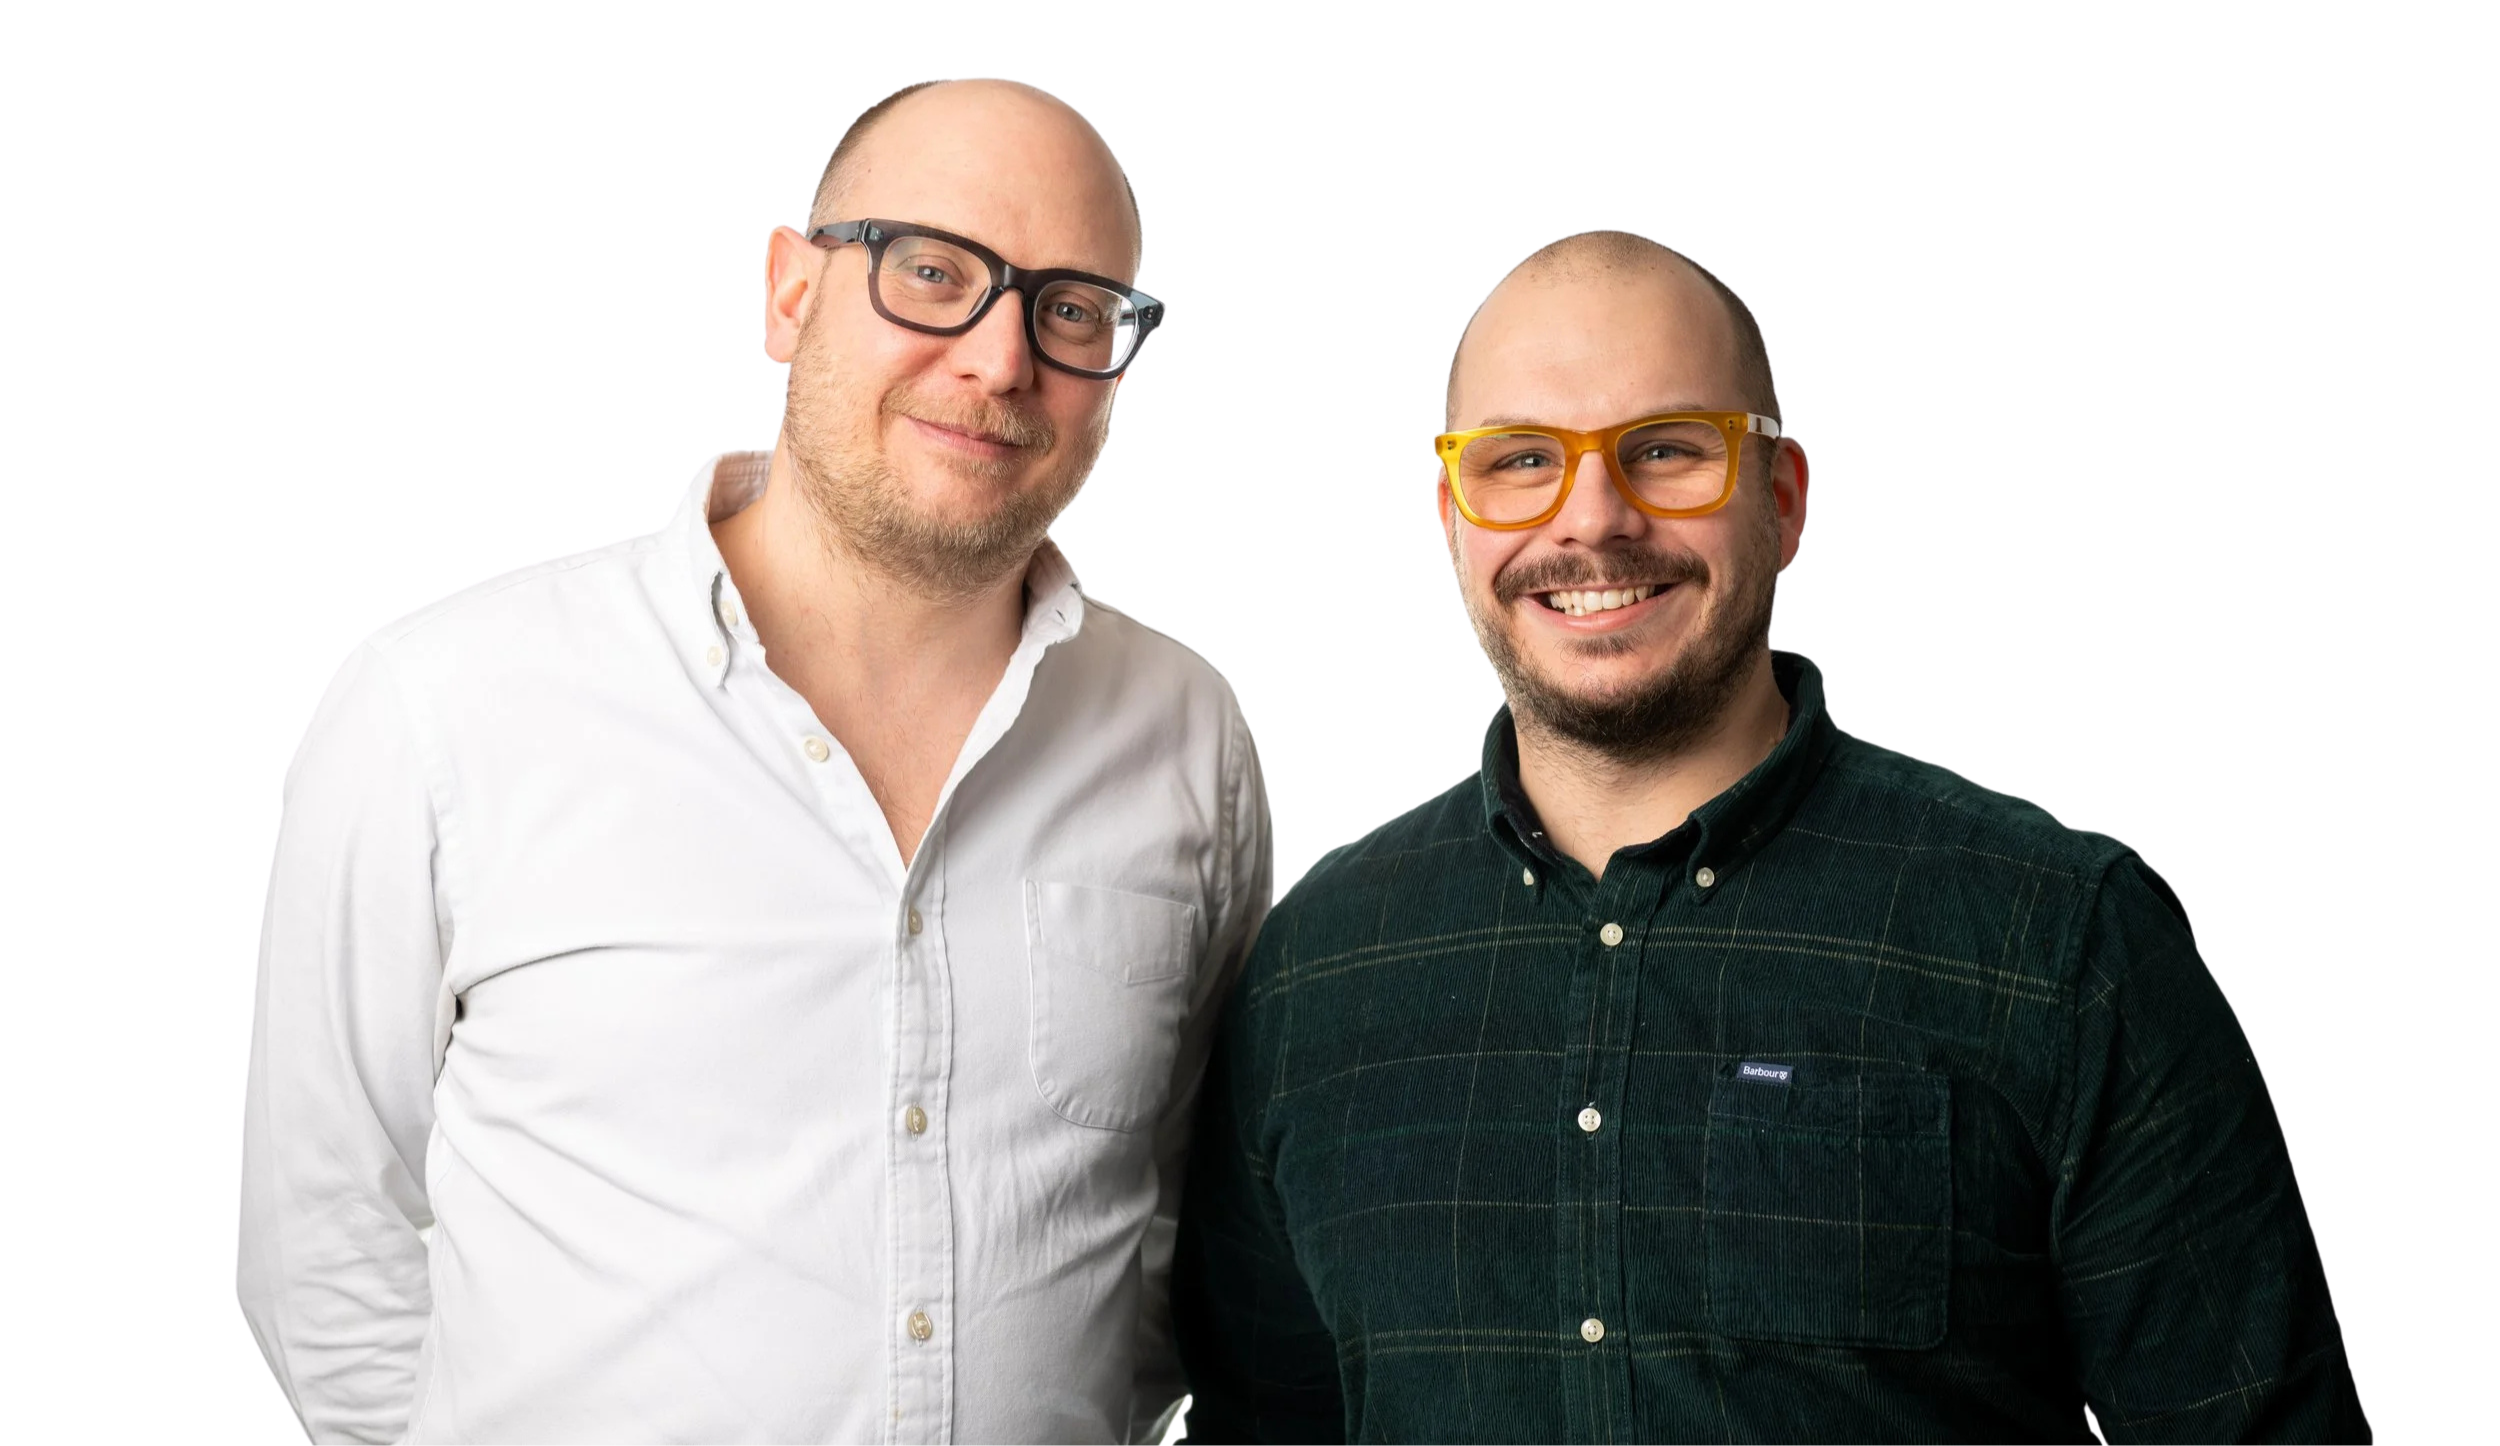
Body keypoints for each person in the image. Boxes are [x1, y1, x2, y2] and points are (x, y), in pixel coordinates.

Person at [1167, 227, 2370, 1443]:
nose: (1592, 520)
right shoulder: (1311, 971)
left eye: (1665, 450)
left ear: (1784, 497)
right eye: (1521, 460)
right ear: (1450, 514)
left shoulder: (2059, 938)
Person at [237, 76, 1272, 1446]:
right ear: (790, 291)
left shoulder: (1186, 732)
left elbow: (1182, 1234)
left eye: (1073, 310)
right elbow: (332, 1262)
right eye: (933, 272)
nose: (1000, 361)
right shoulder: (437, 704)